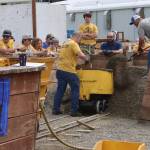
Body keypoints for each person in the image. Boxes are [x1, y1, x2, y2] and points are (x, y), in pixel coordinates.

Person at [53, 32, 88, 117]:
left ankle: (56, 109)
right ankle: (74, 111)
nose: (80, 41)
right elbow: (80, 54)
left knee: (60, 90)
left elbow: (68, 56)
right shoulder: (74, 43)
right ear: (77, 37)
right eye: (80, 39)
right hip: (69, 70)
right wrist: (87, 58)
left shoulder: (65, 43)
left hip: (60, 70)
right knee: (75, 88)